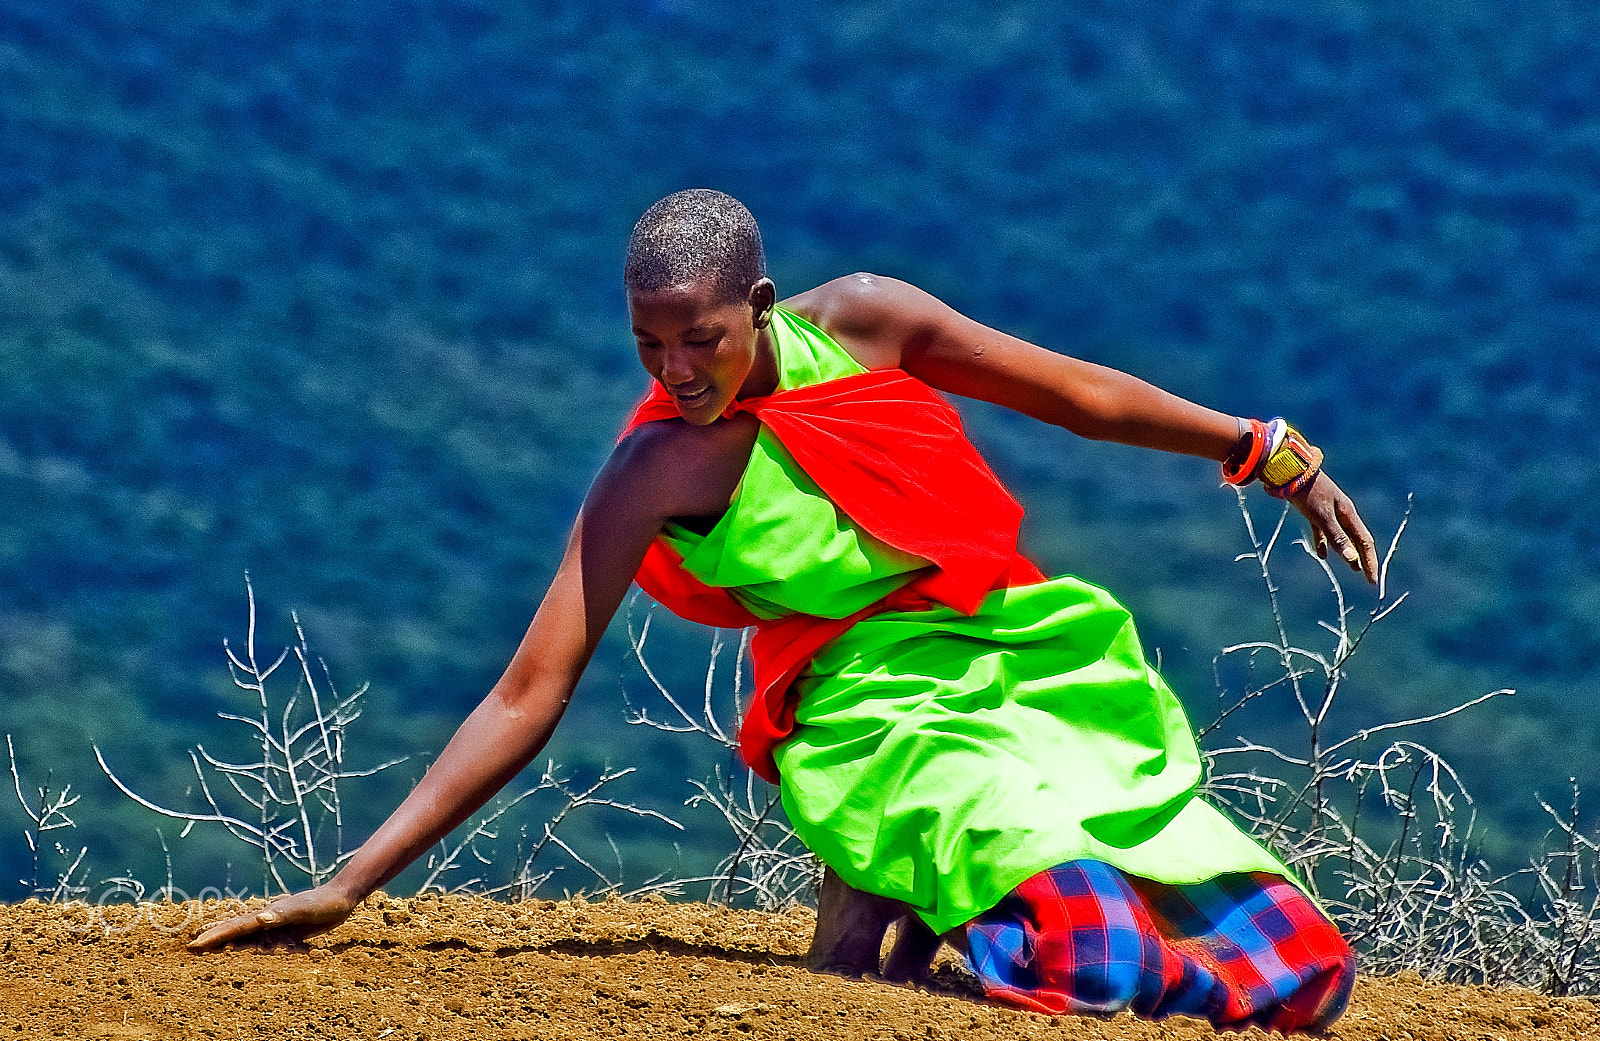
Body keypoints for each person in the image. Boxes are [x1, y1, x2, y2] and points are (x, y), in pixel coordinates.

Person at [189, 189, 1377, 1032]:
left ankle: (892, 919)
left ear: (758, 303)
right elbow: (529, 686)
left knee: (1295, 966)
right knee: (1098, 955)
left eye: (699, 336)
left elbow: (1078, 395)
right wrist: (350, 883)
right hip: (866, 710)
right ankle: (886, 920)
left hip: (1015, 650)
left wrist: (1266, 452)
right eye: (647, 344)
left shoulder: (865, 324)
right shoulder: (653, 472)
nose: (675, 372)